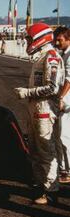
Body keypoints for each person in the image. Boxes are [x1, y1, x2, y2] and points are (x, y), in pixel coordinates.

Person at [13, 23, 65, 204]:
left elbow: (53, 87)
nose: (27, 41)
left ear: (39, 38)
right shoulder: (40, 57)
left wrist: (27, 93)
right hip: (36, 109)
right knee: (34, 149)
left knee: (46, 150)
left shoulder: (51, 57)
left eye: (29, 38)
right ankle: (39, 184)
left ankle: (50, 190)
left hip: (45, 109)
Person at [55, 28, 70, 184]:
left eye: (60, 40)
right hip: (65, 99)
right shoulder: (63, 54)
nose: (57, 42)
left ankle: (67, 171)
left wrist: (60, 97)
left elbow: (69, 80)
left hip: (66, 101)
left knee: (64, 137)